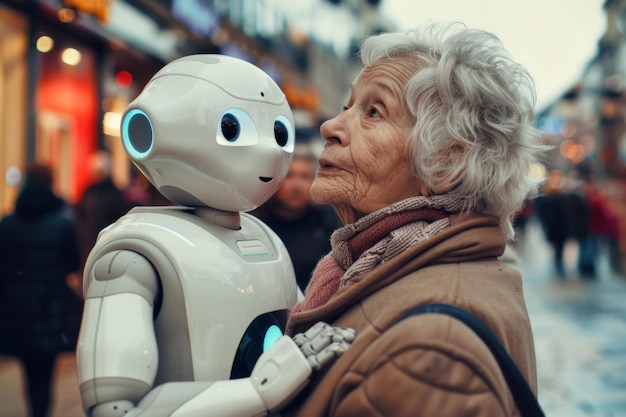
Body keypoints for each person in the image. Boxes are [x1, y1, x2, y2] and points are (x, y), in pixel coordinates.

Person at [283, 21, 547, 416]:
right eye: (347, 106)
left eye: (373, 111)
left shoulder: (430, 356)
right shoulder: (395, 268)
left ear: (444, 162)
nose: (330, 127)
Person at [0, 162, 83, 417]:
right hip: (50, 309)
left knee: (28, 368)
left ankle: (33, 409)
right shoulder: (62, 223)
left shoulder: (8, 224)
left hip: (18, 309)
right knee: (45, 371)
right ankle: (40, 411)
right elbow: (72, 262)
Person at [252, 142, 342, 291]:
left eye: (305, 176)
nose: (297, 186)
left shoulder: (328, 225)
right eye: (290, 175)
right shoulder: (255, 225)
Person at [74, 151, 127, 268]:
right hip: (88, 244)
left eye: (99, 172)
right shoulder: (88, 192)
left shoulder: (115, 194)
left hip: (107, 244)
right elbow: (81, 216)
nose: (96, 175)